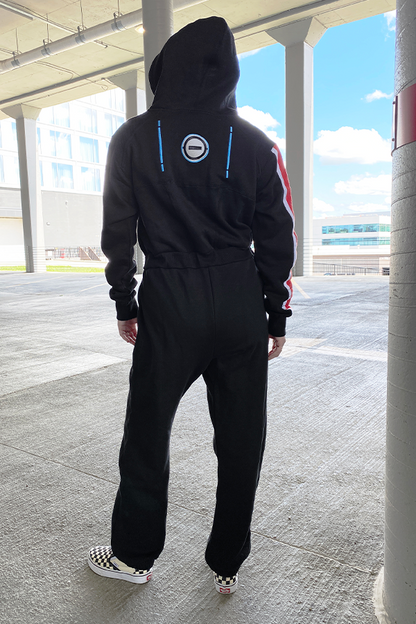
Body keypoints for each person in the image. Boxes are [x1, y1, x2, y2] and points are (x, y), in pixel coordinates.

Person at [88, 15, 296, 594]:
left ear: (166, 67)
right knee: (241, 436)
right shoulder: (256, 143)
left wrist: (125, 302)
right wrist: (275, 312)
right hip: (237, 298)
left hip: (169, 299)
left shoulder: (132, 138)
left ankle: (133, 557)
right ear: (230, 73)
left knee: (147, 431)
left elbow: (117, 229)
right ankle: (227, 563)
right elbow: (277, 234)